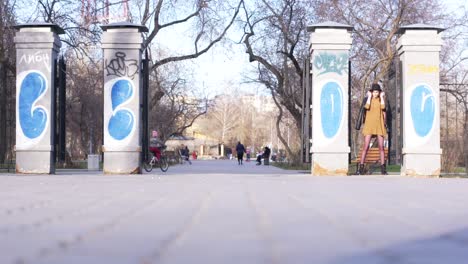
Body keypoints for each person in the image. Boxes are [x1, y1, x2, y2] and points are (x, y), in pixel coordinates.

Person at [356, 83, 388, 175]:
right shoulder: (368, 99)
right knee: (366, 146)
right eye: (374, 92)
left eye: (377, 92)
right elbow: (366, 107)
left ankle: (383, 169)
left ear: (379, 92)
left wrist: (382, 97)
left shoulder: (381, 100)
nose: (375, 93)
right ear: (371, 92)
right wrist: (369, 97)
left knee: (381, 147)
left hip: (379, 125)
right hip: (369, 125)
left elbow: (383, 107)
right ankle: (361, 168)